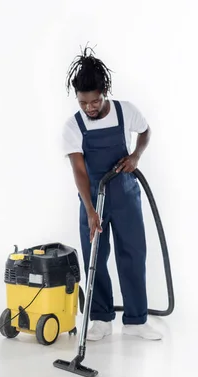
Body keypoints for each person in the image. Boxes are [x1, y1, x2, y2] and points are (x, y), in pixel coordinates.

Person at [62, 46, 162, 341]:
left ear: (104, 91)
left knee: (133, 255)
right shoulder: (73, 127)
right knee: (96, 256)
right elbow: (79, 172)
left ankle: (136, 320)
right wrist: (91, 211)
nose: (90, 108)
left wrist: (136, 156)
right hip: (92, 199)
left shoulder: (125, 111)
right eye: (83, 103)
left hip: (126, 198)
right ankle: (101, 319)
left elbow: (146, 132)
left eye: (94, 101)